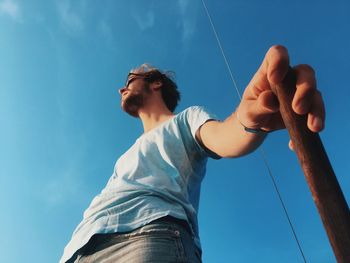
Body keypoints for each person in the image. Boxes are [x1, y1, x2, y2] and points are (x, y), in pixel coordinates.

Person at [60, 45, 325, 263]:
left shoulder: (187, 119)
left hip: (147, 238)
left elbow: (223, 137)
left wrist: (250, 119)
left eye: (130, 80)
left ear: (155, 84)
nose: (121, 88)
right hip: (79, 248)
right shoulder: (127, 154)